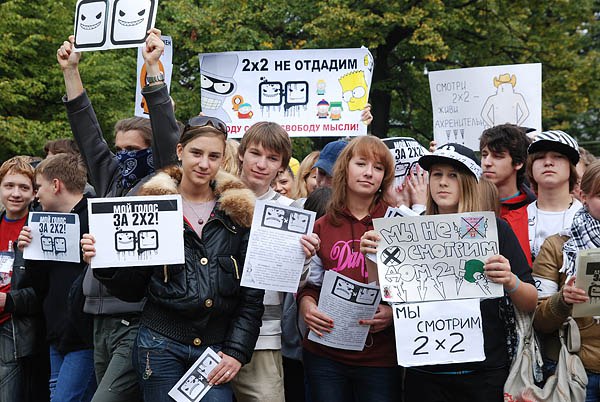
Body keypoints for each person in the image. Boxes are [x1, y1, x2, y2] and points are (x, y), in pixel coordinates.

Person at [87, 116, 270, 402]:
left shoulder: (240, 214)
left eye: (213, 156)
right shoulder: (150, 207)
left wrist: (237, 351)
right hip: (159, 345)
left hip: (215, 350)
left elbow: (252, 295)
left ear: (223, 159)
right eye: (196, 153)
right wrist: (104, 261)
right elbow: (132, 289)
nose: (204, 163)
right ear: (180, 151)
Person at [57, 30, 179, 402]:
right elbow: (87, 132)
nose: (123, 155)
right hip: (98, 318)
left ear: (151, 152)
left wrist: (153, 68)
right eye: (119, 148)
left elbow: (165, 130)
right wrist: (71, 71)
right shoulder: (110, 179)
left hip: (138, 317)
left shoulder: (161, 182)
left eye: (132, 149)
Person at [362, 143, 537, 401]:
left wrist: (510, 281)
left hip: (484, 374)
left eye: (453, 175)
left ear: (468, 182)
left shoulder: (495, 230)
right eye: (437, 174)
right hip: (425, 374)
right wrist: (371, 256)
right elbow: (387, 293)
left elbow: (531, 301)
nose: (443, 182)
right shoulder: (408, 231)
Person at [297, 135, 401, 402]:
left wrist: (393, 314)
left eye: (378, 168)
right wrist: (307, 306)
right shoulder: (322, 225)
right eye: (361, 163)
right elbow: (311, 285)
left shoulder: (398, 223)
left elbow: (417, 290)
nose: (369, 173)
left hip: (380, 357)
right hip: (325, 354)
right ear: (345, 168)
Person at [235, 121, 320, 402]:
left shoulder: (291, 211)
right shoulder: (215, 198)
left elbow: (296, 283)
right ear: (241, 154)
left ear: (282, 166)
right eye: (255, 154)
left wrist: (305, 258)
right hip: (209, 331)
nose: (261, 164)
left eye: (272, 158)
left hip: (264, 335)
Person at [18, 154, 96, 402]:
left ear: (55, 185)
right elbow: (39, 285)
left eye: (38, 187)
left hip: (84, 339)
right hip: (56, 335)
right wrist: (29, 252)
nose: (35, 195)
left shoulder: (97, 218)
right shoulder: (42, 221)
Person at [533, 160, 600, 401]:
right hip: (577, 371)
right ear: (584, 196)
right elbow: (538, 320)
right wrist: (563, 300)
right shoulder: (557, 246)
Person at [0, 156, 48, 402]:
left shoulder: (40, 229)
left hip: (15, 328)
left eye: (23, 187)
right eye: (9, 186)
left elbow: (47, 291)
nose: (16, 193)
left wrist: (9, 300)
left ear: (34, 192)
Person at [480, 124, 535, 264]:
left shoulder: (534, 211)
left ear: (518, 162)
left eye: (497, 156)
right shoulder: (468, 206)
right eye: (484, 155)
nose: (487, 163)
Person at [526, 130, 582, 263]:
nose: (548, 162)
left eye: (558, 156)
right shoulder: (514, 219)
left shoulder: (590, 218)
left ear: (571, 167)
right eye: (540, 157)